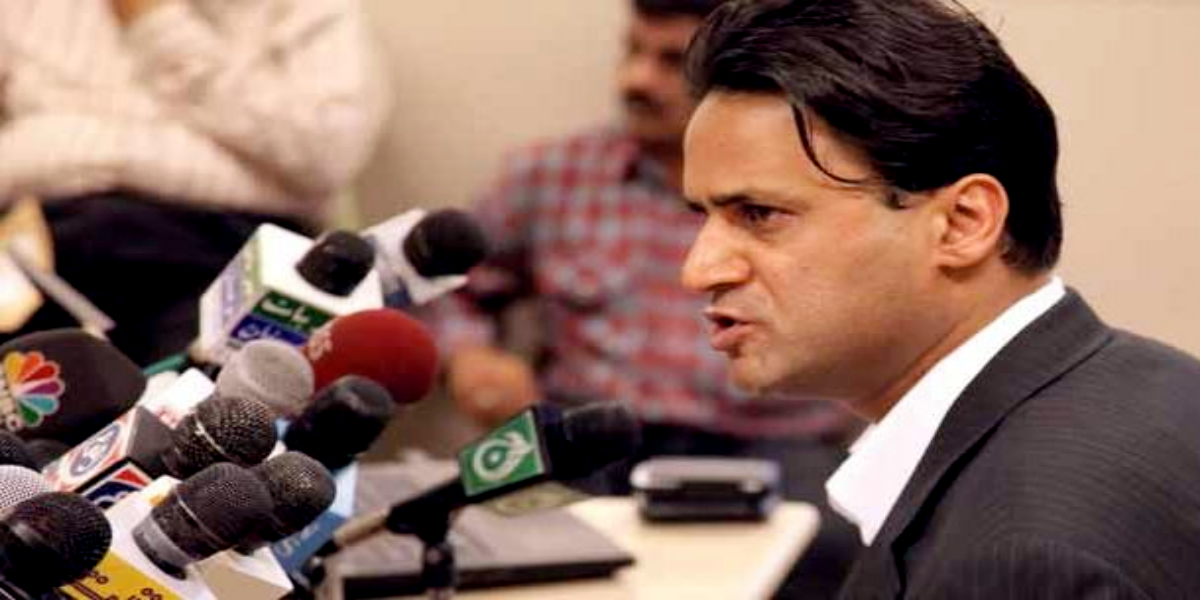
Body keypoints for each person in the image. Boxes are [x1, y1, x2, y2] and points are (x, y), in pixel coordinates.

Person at [681, 0, 1200, 597]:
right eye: (702, 217)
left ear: (962, 223)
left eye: (759, 214)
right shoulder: (1165, 385)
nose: (698, 270)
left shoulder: (1018, 562)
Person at [420, 0, 861, 596]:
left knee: (833, 548)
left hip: (773, 442)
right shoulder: (554, 173)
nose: (636, 80)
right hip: (588, 435)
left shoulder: (813, 184)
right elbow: (450, 285)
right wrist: (470, 357)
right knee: (469, 534)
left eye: (671, 61)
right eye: (633, 51)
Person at [0, 0, 389, 365]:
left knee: (215, 385)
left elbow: (325, 156)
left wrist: (156, 23)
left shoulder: (309, 10)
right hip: (37, 239)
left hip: (222, 248)